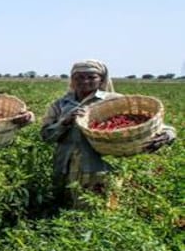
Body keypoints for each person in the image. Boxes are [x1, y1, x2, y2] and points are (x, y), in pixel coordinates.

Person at [40, 59, 175, 207]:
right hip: (65, 167)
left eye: (92, 77)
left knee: (100, 208)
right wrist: (64, 122)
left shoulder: (114, 102)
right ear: (72, 79)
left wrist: (168, 134)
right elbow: (46, 136)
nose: (85, 81)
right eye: (79, 77)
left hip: (101, 169)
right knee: (64, 208)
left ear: (101, 79)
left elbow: (153, 125)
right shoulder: (60, 104)